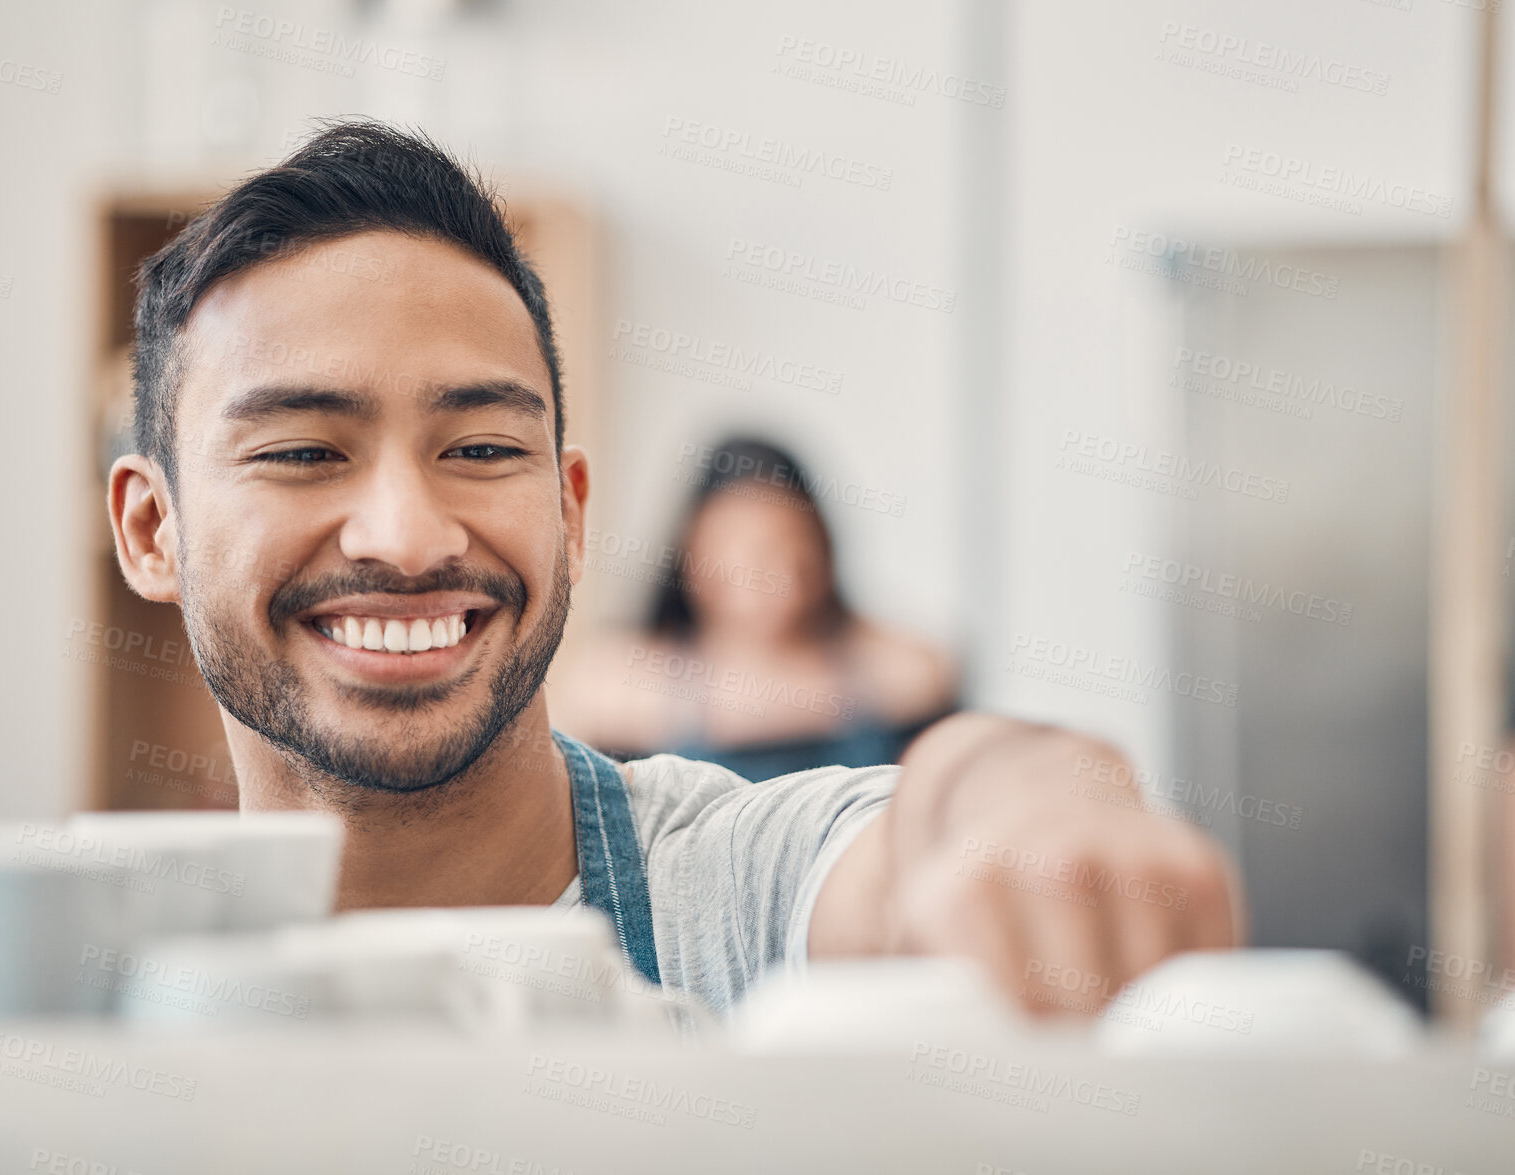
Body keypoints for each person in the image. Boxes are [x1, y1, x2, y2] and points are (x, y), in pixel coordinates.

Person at [107, 120, 1241, 1017]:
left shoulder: (738, 890)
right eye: (303, 451)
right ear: (153, 530)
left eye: (483, 449)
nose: (407, 537)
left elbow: (923, 822)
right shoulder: (81, 960)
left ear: (571, 508)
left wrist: (1042, 791)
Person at [552, 436, 958, 778]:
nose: (776, 572)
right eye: (746, 549)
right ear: (690, 554)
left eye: (791, 544)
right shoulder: (616, 682)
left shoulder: (905, 670)